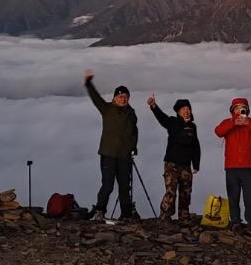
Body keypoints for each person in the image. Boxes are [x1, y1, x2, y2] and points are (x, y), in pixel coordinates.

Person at [83, 69, 139, 220]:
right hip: (108, 154)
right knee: (108, 185)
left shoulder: (131, 114)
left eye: (125, 97)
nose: (123, 99)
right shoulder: (107, 109)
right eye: (120, 97)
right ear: (114, 98)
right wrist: (88, 83)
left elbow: (134, 132)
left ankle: (126, 214)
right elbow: (96, 98)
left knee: (125, 186)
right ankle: (100, 211)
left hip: (124, 156)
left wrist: (133, 148)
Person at [147, 94, 200, 223]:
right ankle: (164, 217)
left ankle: (184, 217)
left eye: (188, 108)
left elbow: (196, 146)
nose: (186, 111)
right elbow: (161, 117)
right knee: (171, 191)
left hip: (186, 165)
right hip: (171, 164)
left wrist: (196, 165)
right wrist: (153, 106)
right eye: (183, 109)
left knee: (186, 192)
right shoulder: (172, 122)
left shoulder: (193, 127)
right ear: (178, 111)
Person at [214, 97, 251, 229]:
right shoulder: (228, 122)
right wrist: (233, 123)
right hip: (231, 167)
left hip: (248, 167)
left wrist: (247, 122)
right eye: (237, 107)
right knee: (233, 197)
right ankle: (235, 221)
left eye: (242, 107)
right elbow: (218, 132)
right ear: (232, 109)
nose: (239, 110)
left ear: (247, 109)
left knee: (250, 197)